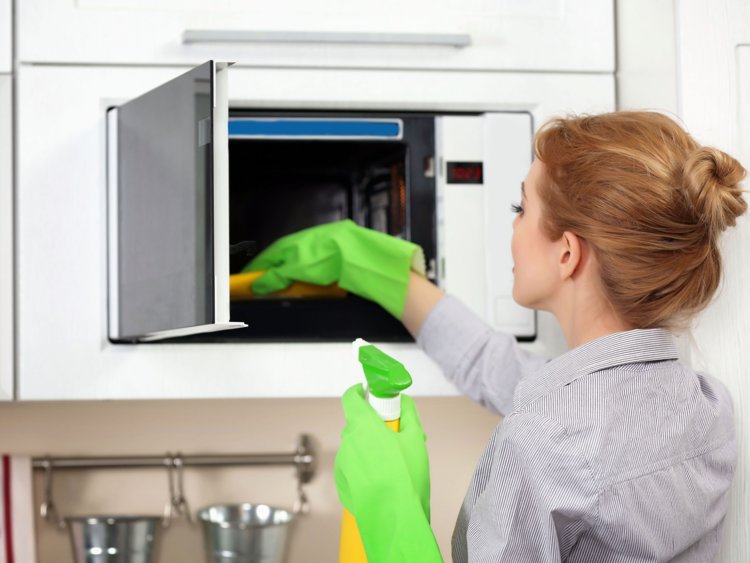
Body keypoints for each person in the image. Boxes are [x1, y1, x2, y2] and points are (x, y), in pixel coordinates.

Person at [246, 111, 746, 562]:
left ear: (567, 254)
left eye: (521, 207)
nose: (513, 226)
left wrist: (390, 512)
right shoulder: (704, 406)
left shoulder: (543, 441)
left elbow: (555, 436)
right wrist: (388, 278)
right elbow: (506, 375)